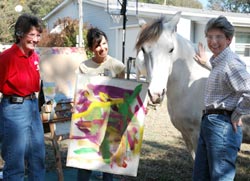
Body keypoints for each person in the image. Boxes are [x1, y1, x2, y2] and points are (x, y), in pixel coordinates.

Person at [192, 16, 250, 180]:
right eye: (210, 37)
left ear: (229, 39)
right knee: (201, 177)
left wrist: (238, 113)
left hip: (222, 126)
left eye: (218, 37)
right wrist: (205, 64)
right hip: (211, 123)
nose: (213, 41)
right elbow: (225, 79)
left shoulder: (231, 62)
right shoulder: (220, 62)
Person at [76, 27, 125, 181]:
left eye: (104, 43)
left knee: (107, 162)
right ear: (91, 48)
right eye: (97, 45)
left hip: (111, 120)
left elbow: (124, 94)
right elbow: (80, 95)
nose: (102, 48)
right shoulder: (84, 67)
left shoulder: (118, 66)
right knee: (86, 163)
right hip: (91, 121)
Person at [0, 14, 45, 180]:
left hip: (33, 107)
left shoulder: (34, 56)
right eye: (31, 34)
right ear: (20, 33)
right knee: (15, 163)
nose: (36, 39)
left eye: (38, 35)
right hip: (13, 109)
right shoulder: (6, 58)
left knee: (38, 159)